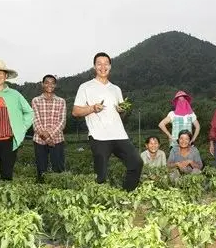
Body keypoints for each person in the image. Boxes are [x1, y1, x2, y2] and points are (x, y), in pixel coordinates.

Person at [71, 52, 143, 192]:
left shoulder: (116, 89)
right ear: (94, 66)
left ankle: (126, 194)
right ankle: (102, 204)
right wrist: (92, 108)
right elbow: (75, 111)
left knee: (136, 163)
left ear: (110, 66)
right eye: (99, 63)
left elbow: (122, 116)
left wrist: (122, 111)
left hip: (119, 134)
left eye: (106, 64)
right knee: (101, 175)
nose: (103, 67)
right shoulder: (86, 87)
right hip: (99, 136)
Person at [31, 74, 67, 181]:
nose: (49, 85)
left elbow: (62, 121)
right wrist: (46, 138)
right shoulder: (36, 100)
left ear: (55, 85)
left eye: (52, 83)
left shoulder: (61, 101)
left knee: (59, 169)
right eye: (47, 82)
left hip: (57, 140)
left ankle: (59, 193)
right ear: (42, 84)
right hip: (39, 140)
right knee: (41, 170)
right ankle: (42, 192)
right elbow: (35, 120)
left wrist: (49, 135)